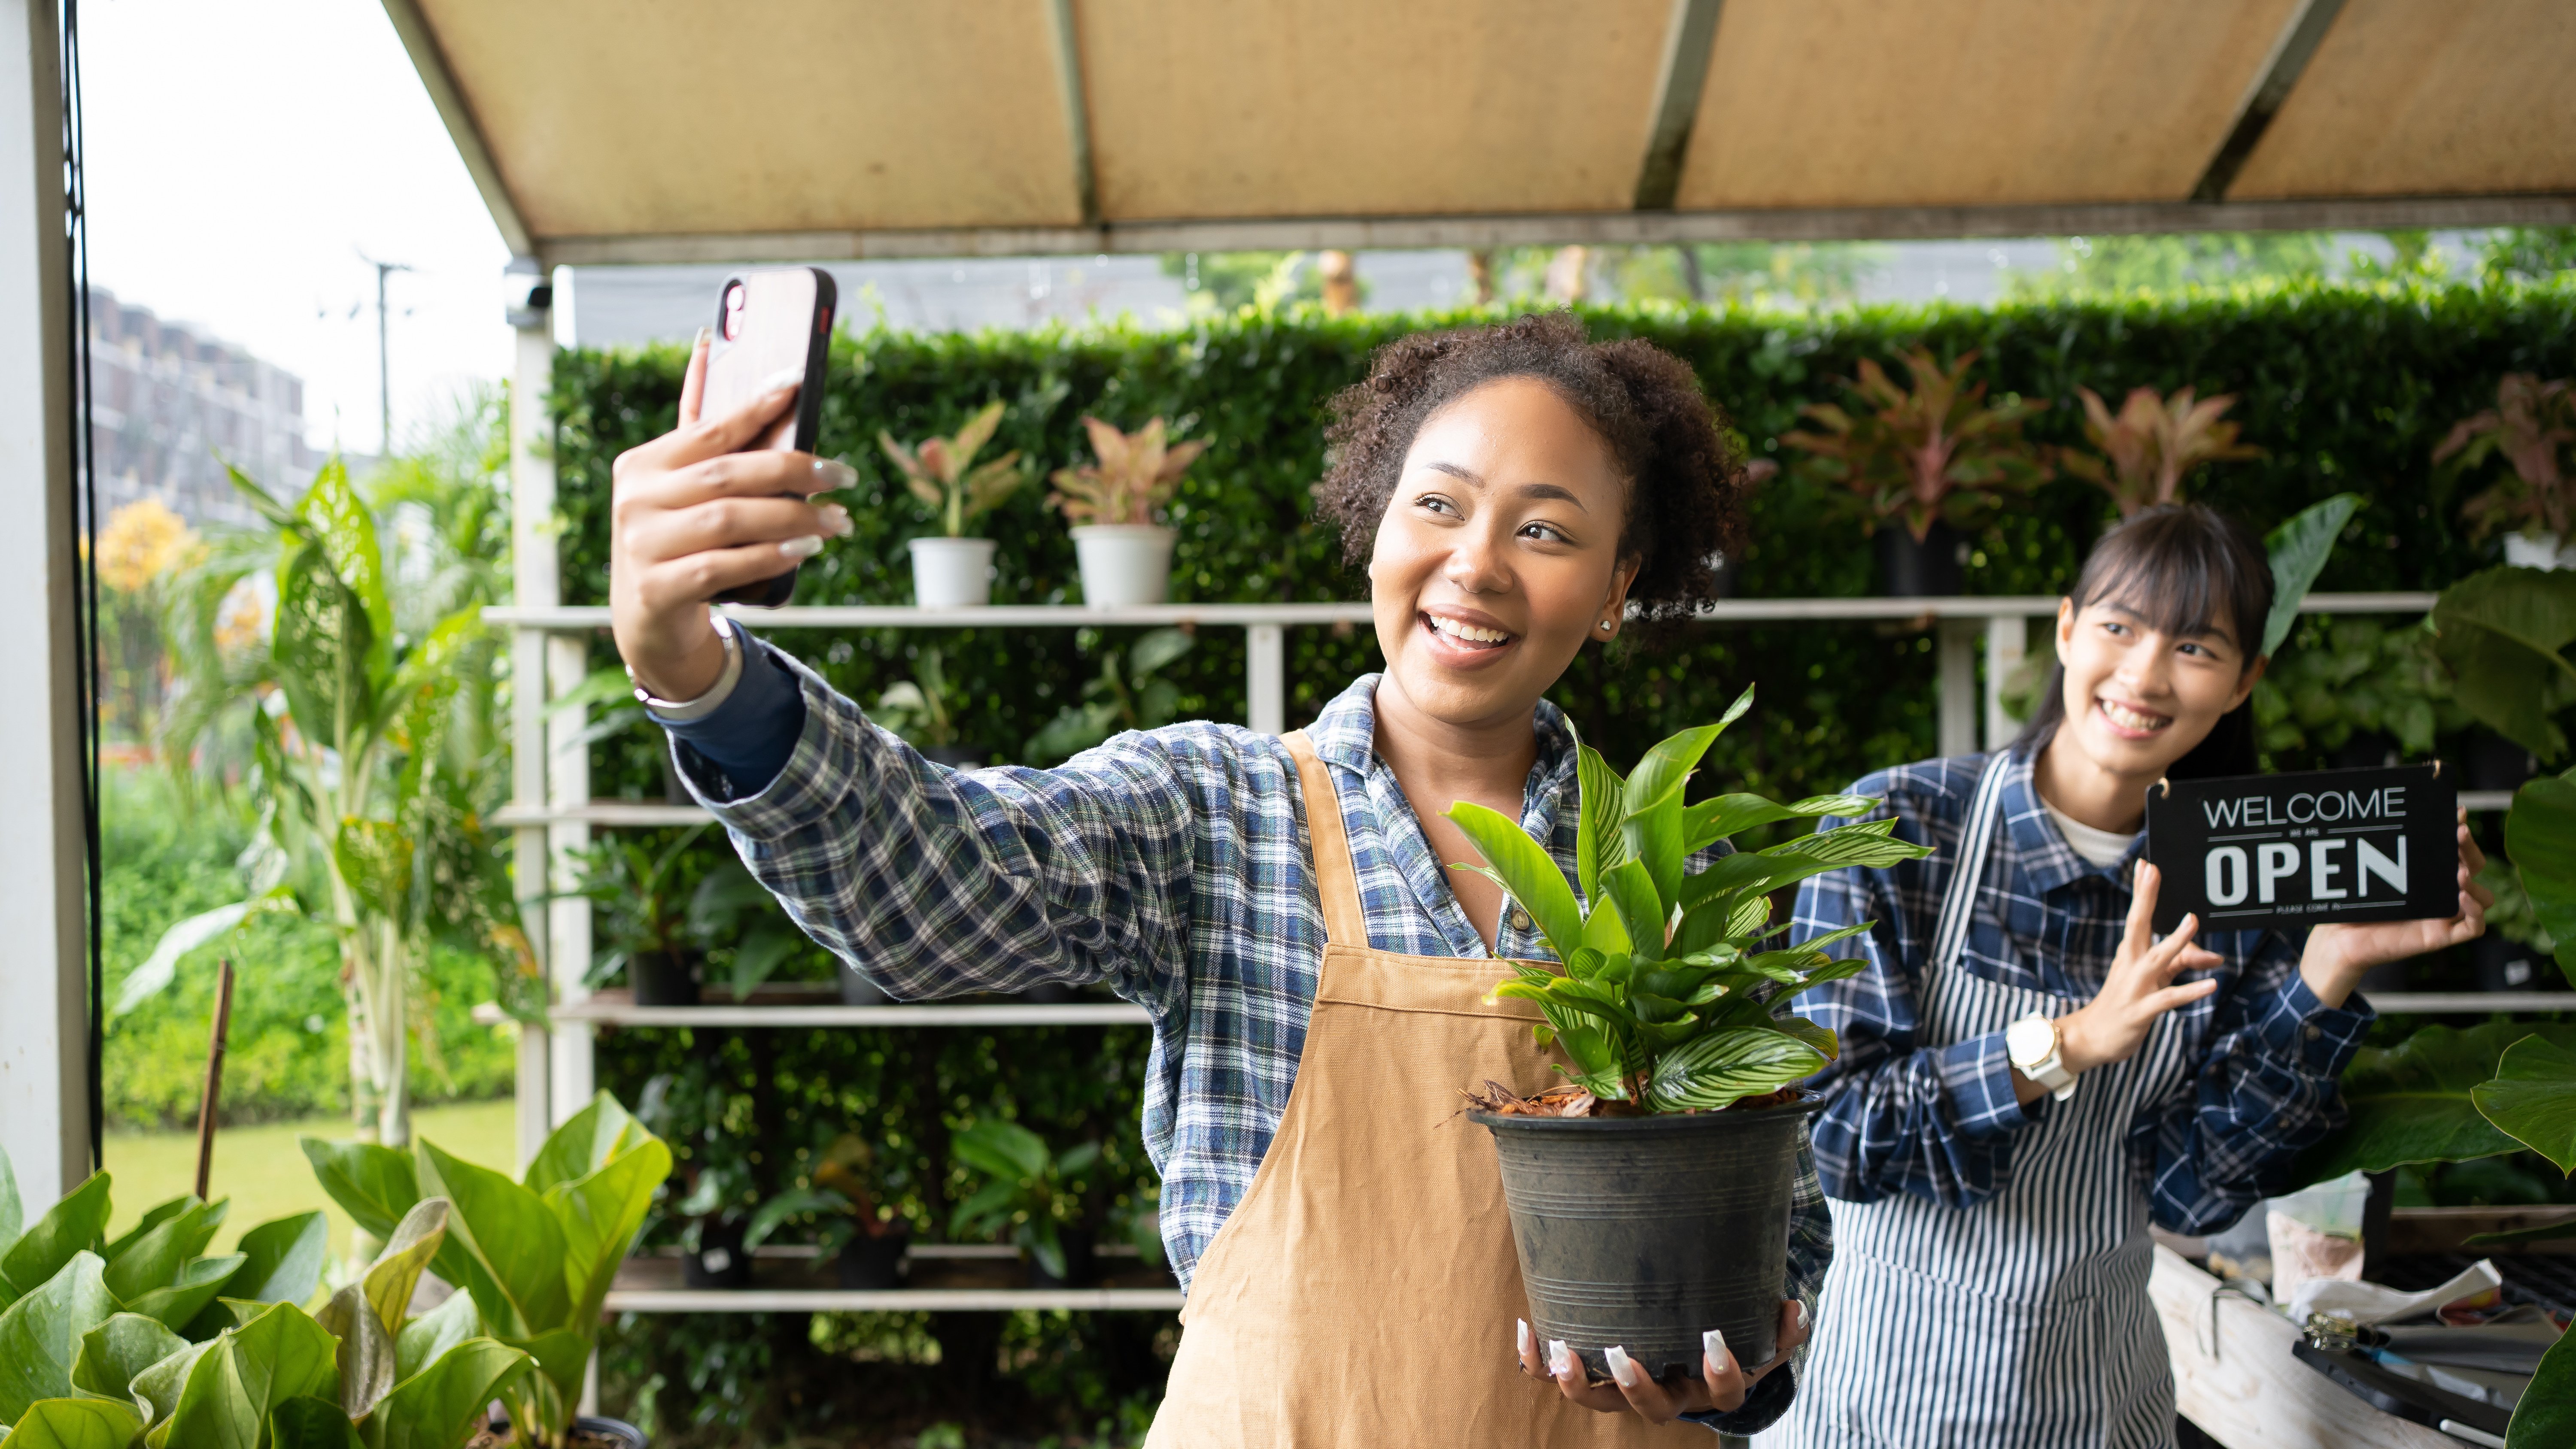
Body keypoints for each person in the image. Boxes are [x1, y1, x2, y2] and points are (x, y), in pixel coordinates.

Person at [607, 312, 1824, 1441]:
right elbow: (935, 889)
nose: (1478, 565)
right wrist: (704, 681)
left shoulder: (1677, 878)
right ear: (1376, 527)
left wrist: (1737, 1370)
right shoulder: (1218, 814)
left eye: (1546, 530)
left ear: (1618, 586)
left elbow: (1783, 1235)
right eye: (1438, 505)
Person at [1776, 505, 2493, 1448]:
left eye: (2196, 646)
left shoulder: (2232, 885)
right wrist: (2063, 1044)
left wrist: (2326, 968)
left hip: (2100, 1406)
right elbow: (1842, 1139)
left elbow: (2194, 1196)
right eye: (2121, 627)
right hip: (1880, 1404)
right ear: (2068, 628)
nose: (2147, 674)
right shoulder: (1899, 825)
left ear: (2243, 683)